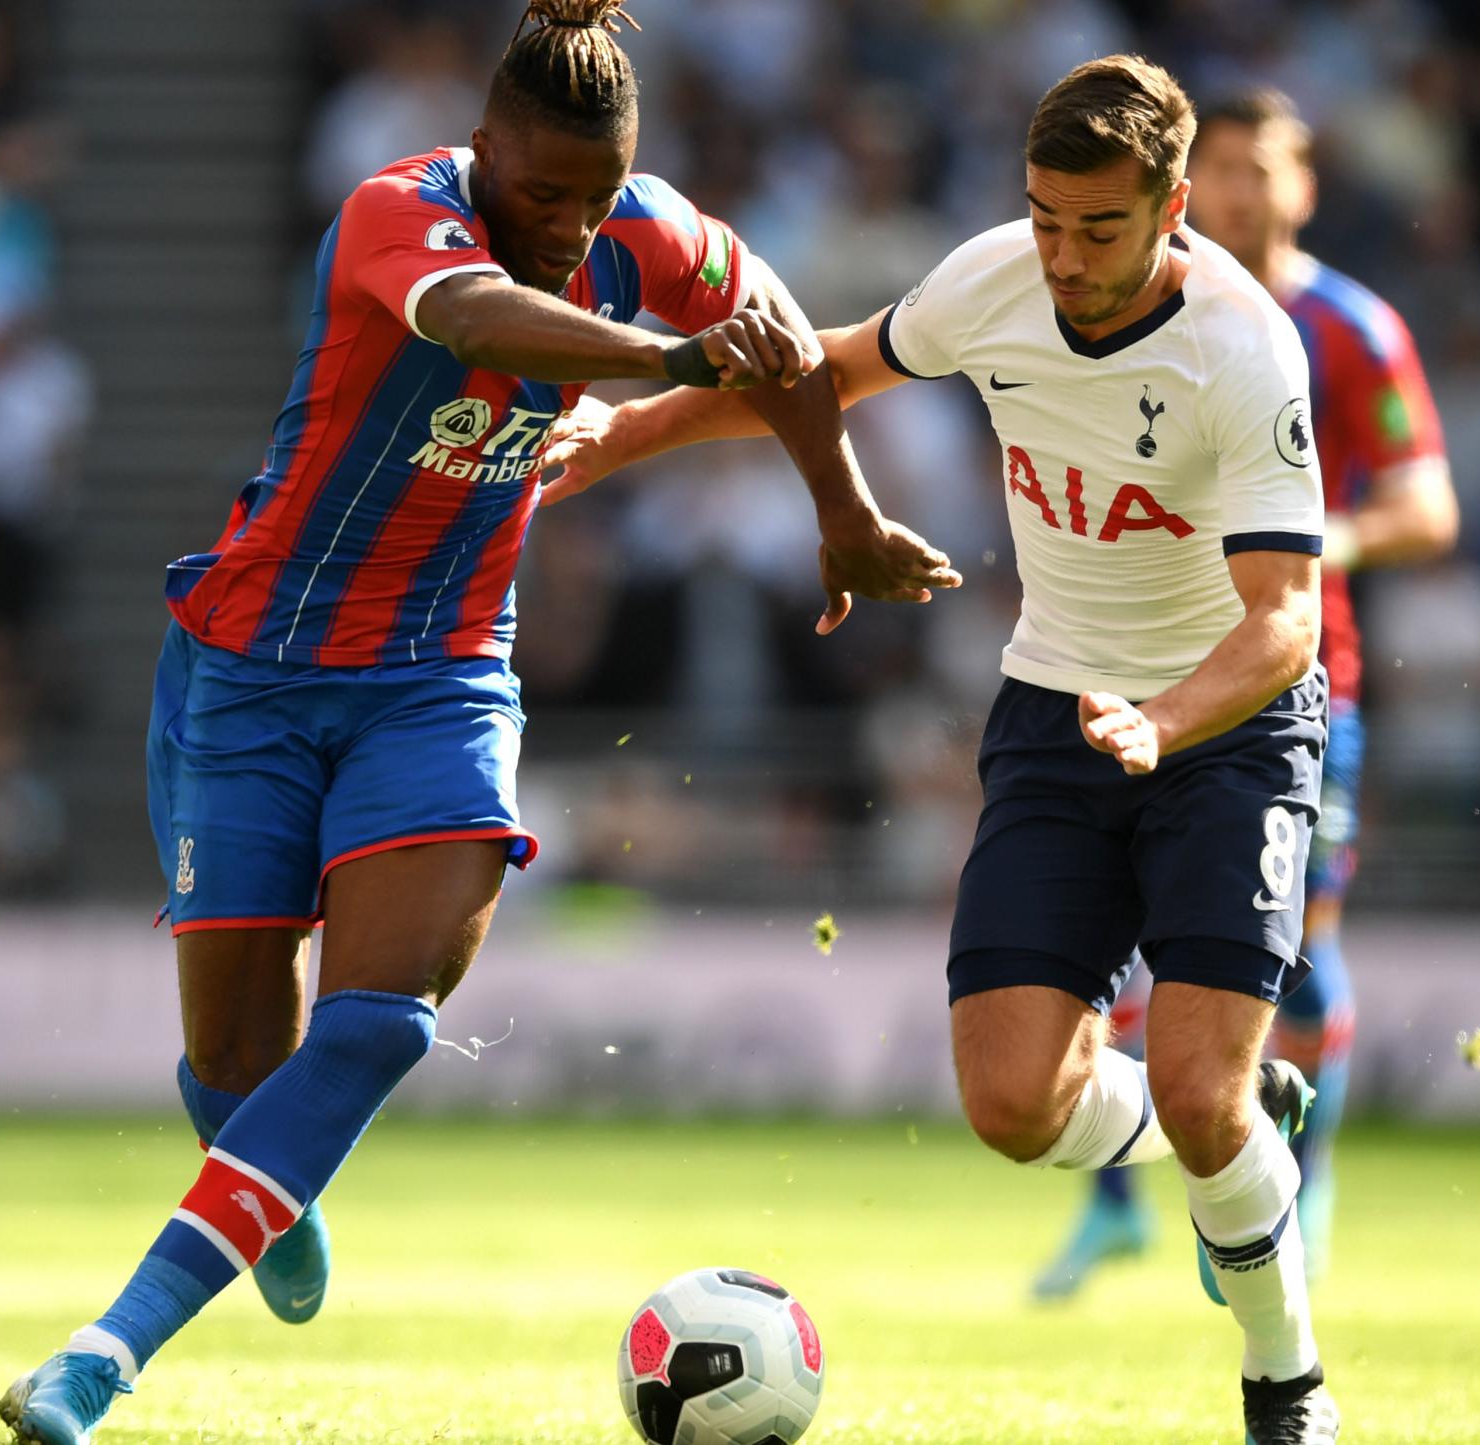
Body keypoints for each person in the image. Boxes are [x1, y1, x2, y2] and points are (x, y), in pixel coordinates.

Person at [0, 4, 958, 1440]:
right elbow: (473, 319)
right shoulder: (401, 212)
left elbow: (786, 352)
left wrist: (846, 508)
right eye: (540, 192)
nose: (567, 223)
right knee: (237, 1069)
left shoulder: (653, 234)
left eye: (594, 192)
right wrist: (664, 357)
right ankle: (263, 1169)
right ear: (484, 145)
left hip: (439, 673)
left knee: (377, 1027)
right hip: (249, 671)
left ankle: (98, 1357)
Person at [543, 54, 1341, 1444]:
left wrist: (1161, 721)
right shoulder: (994, 280)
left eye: (1097, 228)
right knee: (1012, 1105)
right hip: (1054, 711)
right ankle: (1222, 1123)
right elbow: (818, 376)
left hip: (1227, 728)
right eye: (1043, 217)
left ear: (1171, 209)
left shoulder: (1244, 347)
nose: (1063, 255)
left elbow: (1286, 621)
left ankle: (1287, 1381)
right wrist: (629, 436)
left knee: (1203, 1098)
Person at [1038, 86, 1459, 1304]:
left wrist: (1310, 531)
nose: (1238, 190)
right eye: (1218, 167)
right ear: (1186, 186)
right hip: (1138, 659)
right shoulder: (1134, 304)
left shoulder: (1350, 327)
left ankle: (1300, 1180)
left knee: (1294, 945)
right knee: (1111, 943)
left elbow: (1429, 506)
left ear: (1303, 185)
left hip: (1292, 673)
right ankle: (1117, 1205)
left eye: (1261, 167)